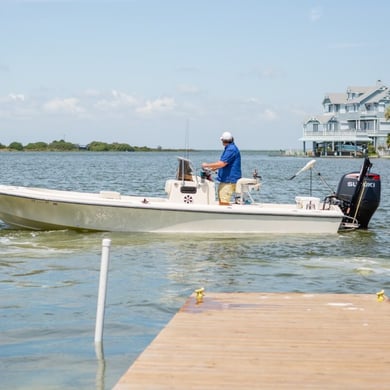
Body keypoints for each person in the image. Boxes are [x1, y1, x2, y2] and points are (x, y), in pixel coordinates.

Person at [202, 131, 242, 205]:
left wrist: (207, 165)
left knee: (223, 203)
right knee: (222, 200)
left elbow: (222, 164)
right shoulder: (230, 148)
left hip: (228, 181)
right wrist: (212, 169)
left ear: (223, 141)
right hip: (228, 180)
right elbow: (223, 163)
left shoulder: (231, 149)